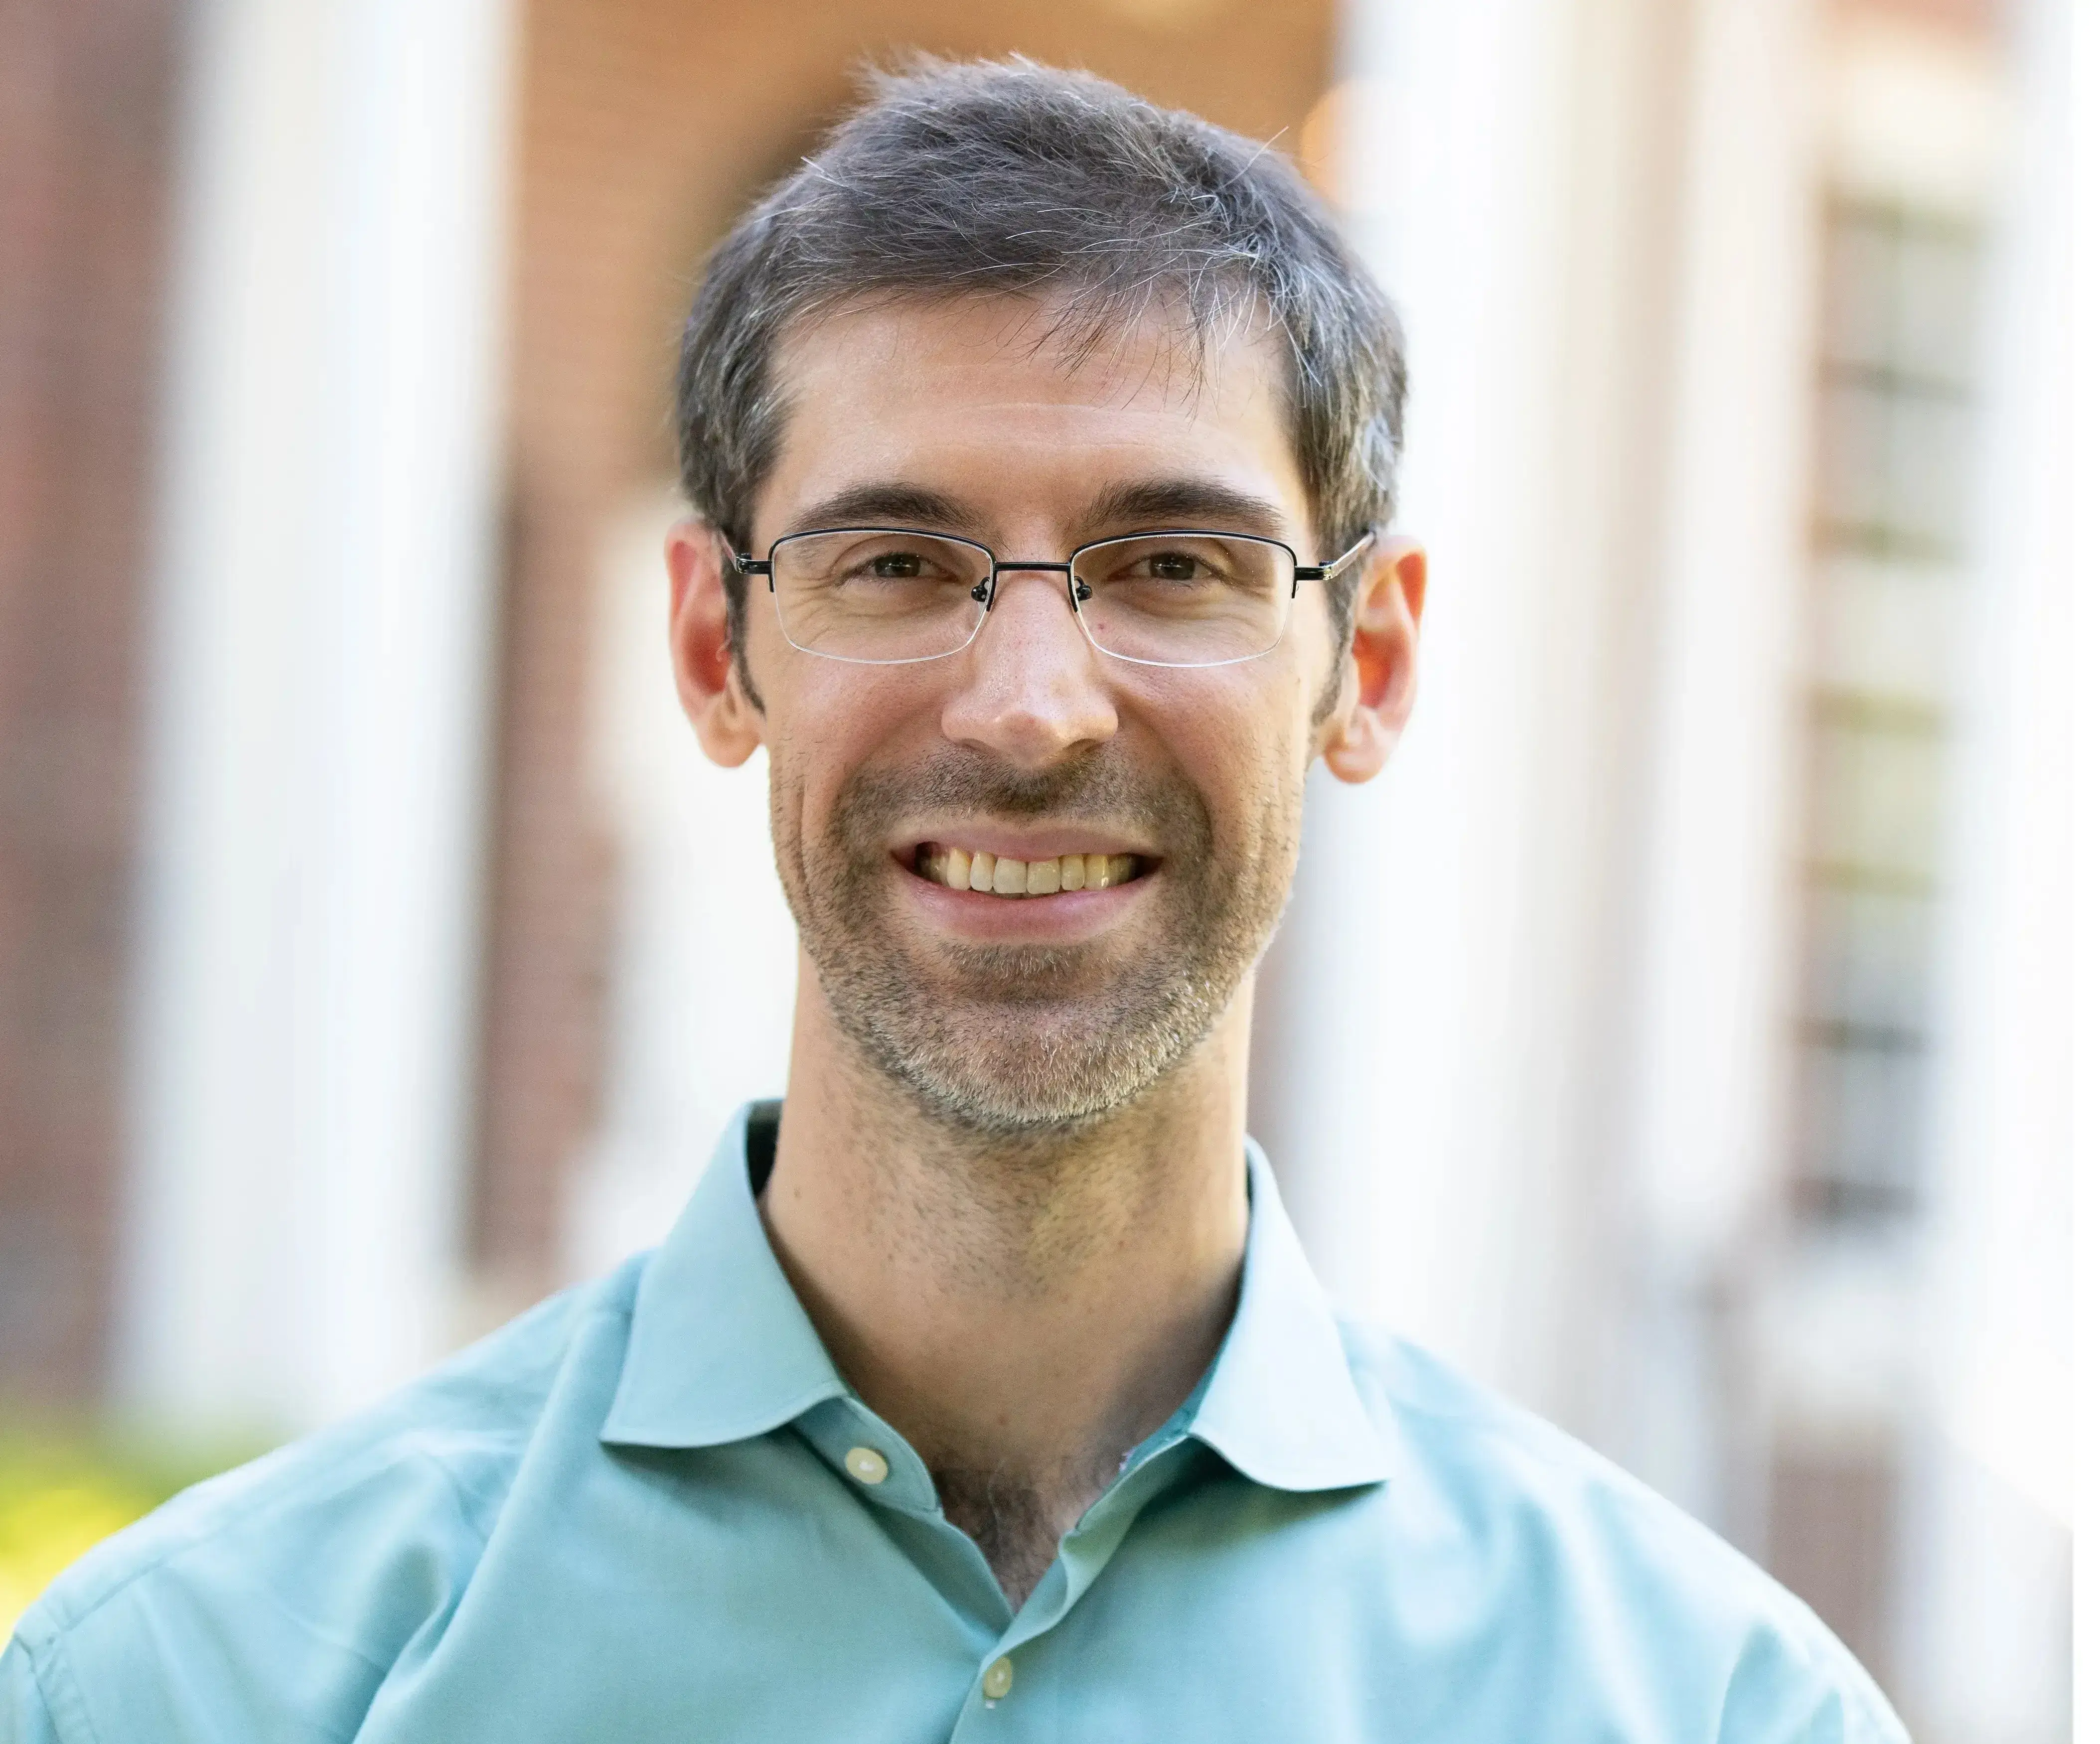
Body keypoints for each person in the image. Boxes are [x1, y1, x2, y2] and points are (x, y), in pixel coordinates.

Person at [2, 58, 1906, 1743]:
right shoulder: (199, 1689)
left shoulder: (1706, 1708)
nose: (1026, 707)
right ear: (713, 644)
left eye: (1171, 561)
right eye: (897, 561)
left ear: (1369, 663)